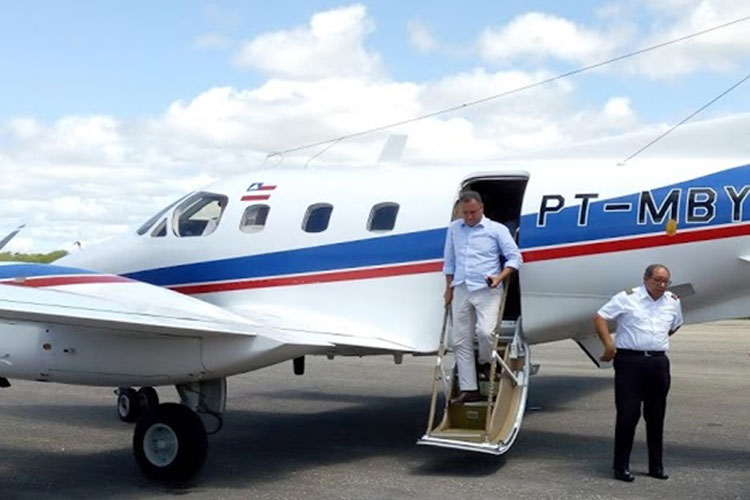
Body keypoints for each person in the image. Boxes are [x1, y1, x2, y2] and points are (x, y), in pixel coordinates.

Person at [593, 264, 683, 482]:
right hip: (630, 361)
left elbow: (675, 325)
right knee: (628, 415)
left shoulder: (673, 301)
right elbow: (599, 317)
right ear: (646, 279)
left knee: (656, 415)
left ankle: (656, 466)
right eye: (657, 280)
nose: (661, 285)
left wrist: (655, 341)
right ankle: (621, 466)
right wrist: (608, 345)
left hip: (658, 362)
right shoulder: (628, 298)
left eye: (665, 282)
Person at [443, 190, 522, 405]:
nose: (468, 217)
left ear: (481, 209)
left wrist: (500, 277)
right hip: (461, 287)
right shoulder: (454, 229)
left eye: (472, 212)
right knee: (460, 340)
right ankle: (469, 388)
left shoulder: (496, 230)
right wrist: (448, 288)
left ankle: (486, 361)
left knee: (485, 332)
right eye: (465, 213)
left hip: (487, 288)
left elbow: (515, 257)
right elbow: (449, 261)